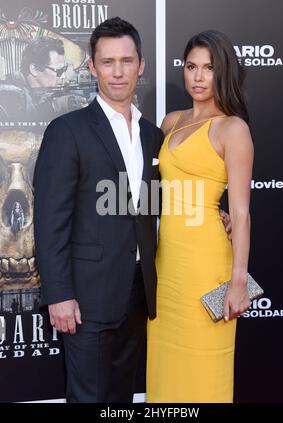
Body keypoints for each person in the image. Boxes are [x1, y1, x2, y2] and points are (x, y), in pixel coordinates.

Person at [33, 17, 163, 403]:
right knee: (88, 397)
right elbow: (51, 221)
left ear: (141, 65)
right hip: (84, 299)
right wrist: (59, 294)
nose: (118, 72)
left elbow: (155, 206)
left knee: (122, 398)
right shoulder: (67, 130)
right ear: (92, 66)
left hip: (137, 294)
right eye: (108, 62)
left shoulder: (152, 135)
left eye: (127, 60)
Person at [147, 30, 253, 402]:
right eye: (191, 66)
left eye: (208, 68)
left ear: (222, 72)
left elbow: (240, 211)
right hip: (167, 265)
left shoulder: (233, 129)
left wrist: (238, 282)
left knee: (205, 366)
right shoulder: (170, 122)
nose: (198, 76)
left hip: (207, 265)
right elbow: (158, 192)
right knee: (165, 367)